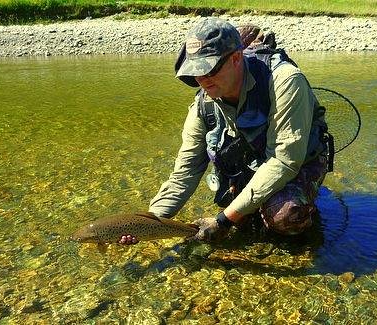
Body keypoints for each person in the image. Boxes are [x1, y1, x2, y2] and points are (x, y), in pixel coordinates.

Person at [119, 17, 329, 245]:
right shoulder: (202, 105)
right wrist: (147, 223)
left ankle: (304, 207)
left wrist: (223, 221)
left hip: (298, 162)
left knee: (285, 217)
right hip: (252, 162)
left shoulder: (285, 81)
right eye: (195, 72)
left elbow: (284, 161)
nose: (202, 80)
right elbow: (185, 173)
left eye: (209, 70)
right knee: (240, 214)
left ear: (236, 58)